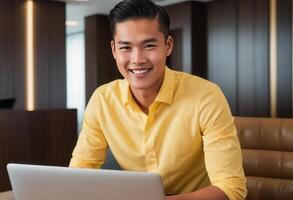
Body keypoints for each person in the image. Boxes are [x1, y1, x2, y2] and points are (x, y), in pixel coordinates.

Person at [69, 0, 247, 199]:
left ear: (168, 46)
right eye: (126, 48)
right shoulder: (102, 100)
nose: (137, 59)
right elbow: (79, 173)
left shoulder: (206, 97)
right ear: (114, 50)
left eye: (149, 45)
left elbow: (231, 188)